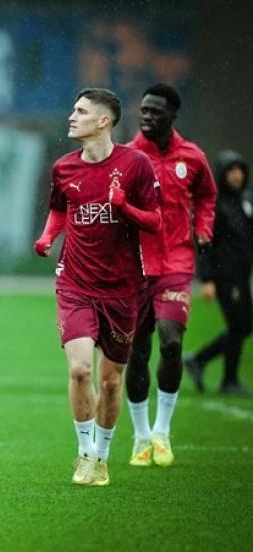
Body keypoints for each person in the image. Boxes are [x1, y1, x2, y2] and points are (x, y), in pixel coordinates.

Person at [34, 88, 160, 486]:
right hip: (75, 283)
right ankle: (86, 452)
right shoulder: (63, 168)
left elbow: (155, 221)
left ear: (103, 121)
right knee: (80, 369)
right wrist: (47, 237)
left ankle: (102, 457)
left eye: (81, 111)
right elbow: (59, 210)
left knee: (110, 380)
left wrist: (124, 207)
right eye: (73, 109)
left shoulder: (136, 164)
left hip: (123, 289)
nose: (72, 116)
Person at [123, 84, 216, 467]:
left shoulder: (192, 157)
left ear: (172, 116)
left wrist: (204, 228)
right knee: (137, 351)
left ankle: (162, 430)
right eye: (144, 110)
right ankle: (140, 434)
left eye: (155, 111)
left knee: (171, 341)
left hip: (176, 263)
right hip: (135, 267)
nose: (147, 116)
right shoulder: (127, 157)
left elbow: (206, 197)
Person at [187, 151, 252, 396]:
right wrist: (207, 279)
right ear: (222, 174)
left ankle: (199, 360)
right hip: (225, 276)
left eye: (240, 170)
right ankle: (228, 379)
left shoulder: (245, 204)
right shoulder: (216, 206)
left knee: (244, 325)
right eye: (231, 171)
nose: (236, 176)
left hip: (242, 276)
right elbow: (206, 243)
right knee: (239, 325)